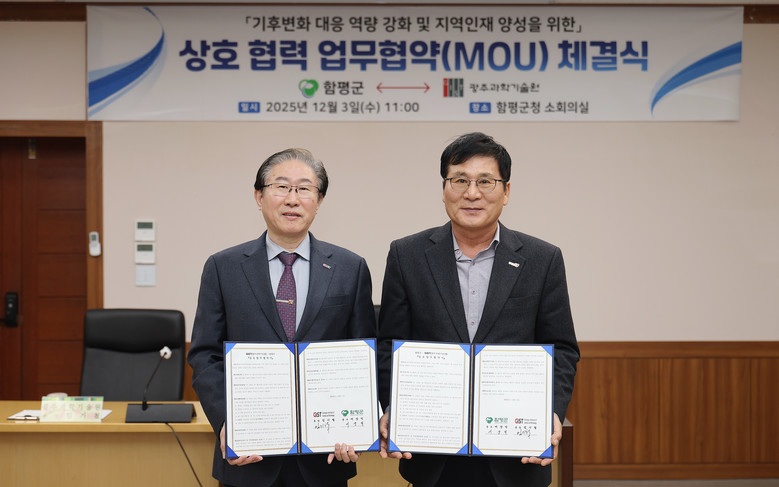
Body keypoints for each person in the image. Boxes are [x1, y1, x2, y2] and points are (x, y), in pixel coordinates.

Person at [377, 132, 580, 487]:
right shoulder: (407, 255)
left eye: (485, 181)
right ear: (444, 189)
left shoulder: (542, 259)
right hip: (432, 455)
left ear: (506, 191)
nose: (472, 193)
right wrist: (393, 407)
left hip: (516, 455)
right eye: (460, 180)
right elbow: (389, 345)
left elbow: (562, 348)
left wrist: (550, 411)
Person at [188, 148, 376, 487]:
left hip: (325, 460)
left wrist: (358, 428)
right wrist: (228, 423)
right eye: (281, 187)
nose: (292, 199)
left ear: (319, 200)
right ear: (259, 197)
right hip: (249, 459)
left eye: (304, 188)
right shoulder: (223, 267)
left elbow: (363, 356)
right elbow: (204, 354)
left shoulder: (351, 268)